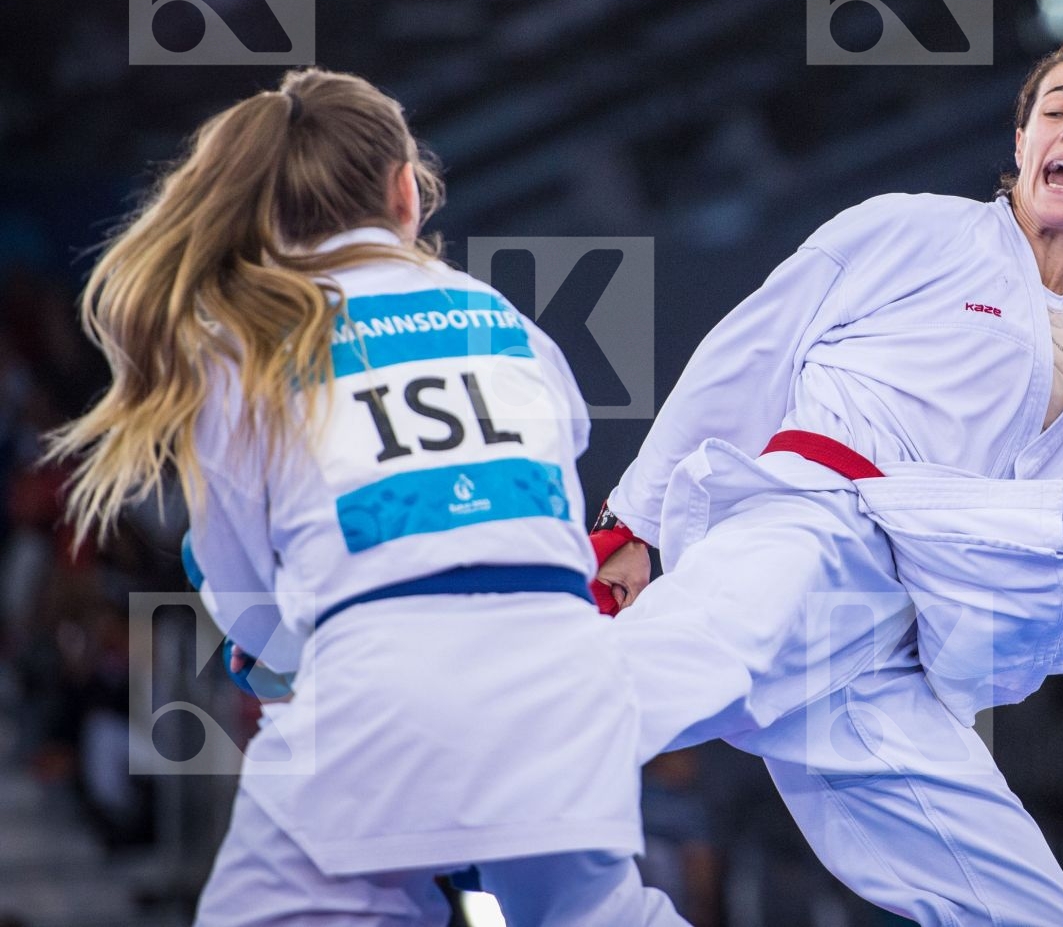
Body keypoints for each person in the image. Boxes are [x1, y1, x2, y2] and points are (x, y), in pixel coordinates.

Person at [589, 28, 1063, 925]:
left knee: (1032, 911)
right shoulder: (910, 228)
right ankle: (415, 805)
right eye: (1054, 111)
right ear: (1020, 146)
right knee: (633, 690)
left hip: (895, 649)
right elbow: (749, 349)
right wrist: (635, 523)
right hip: (807, 533)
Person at [46, 70, 684, 926]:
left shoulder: (246, 349)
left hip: (381, 693)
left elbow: (247, 605)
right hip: (568, 692)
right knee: (592, 911)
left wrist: (282, 645)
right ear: (404, 193)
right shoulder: (508, 323)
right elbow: (542, 526)